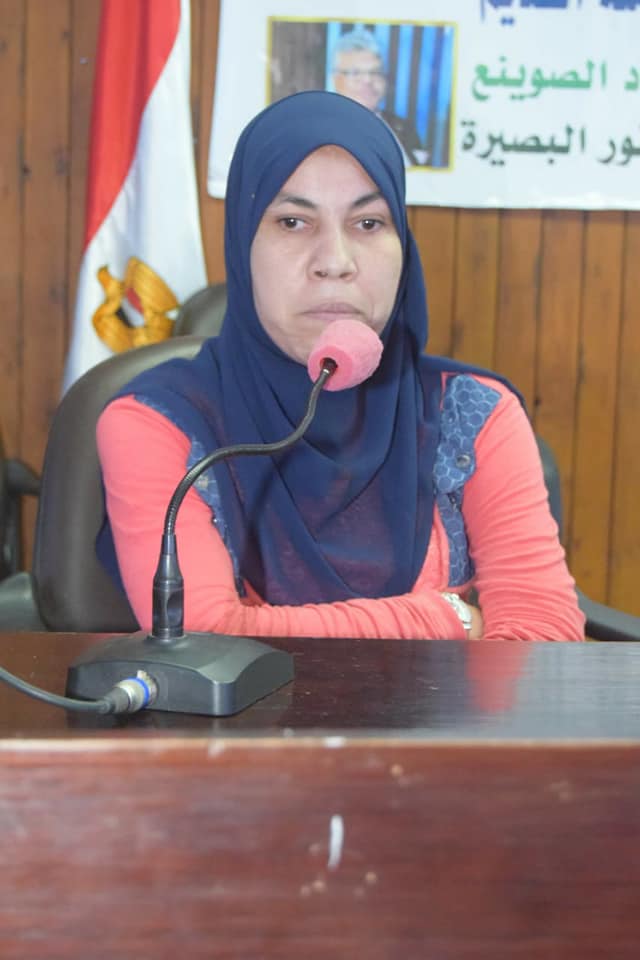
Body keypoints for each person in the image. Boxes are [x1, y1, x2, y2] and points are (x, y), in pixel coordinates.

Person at [96, 90, 585, 643]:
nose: (335, 262)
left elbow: (545, 639)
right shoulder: (158, 422)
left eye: (369, 223)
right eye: (293, 222)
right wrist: (444, 618)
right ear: (241, 244)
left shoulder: (473, 414)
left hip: (449, 706)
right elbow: (200, 639)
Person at [330, 27, 429, 167]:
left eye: (375, 72)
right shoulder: (322, 130)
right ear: (336, 80)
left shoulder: (404, 128)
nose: (367, 80)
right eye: (355, 73)